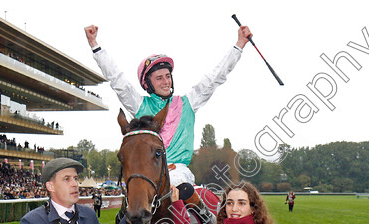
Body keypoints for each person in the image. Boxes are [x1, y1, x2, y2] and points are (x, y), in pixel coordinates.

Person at [84, 23, 250, 213]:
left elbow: (216, 77)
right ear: (148, 83)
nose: (166, 81)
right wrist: (95, 46)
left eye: (168, 76)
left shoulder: (189, 102)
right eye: (159, 78)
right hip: (149, 171)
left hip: (178, 171)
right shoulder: (140, 105)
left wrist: (239, 45)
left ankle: (206, 220)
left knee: (178, 186)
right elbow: (117, 81)